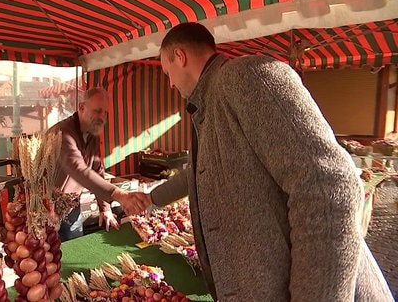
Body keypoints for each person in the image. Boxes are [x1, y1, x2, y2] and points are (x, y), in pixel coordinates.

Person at [127, 22, 394, 301]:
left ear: (180, 56)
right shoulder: (209, 106)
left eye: (167, 73)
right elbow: (193, 173)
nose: (169, 83)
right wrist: (151, 198)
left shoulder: (245, 76)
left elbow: (328, 185)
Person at [48, 87, 146, 241]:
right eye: (98, 111)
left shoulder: (91, 134)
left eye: (105, 113)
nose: (102, 117)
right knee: (48, 258)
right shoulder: (63, 133)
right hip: (47, 208)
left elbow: (97, 170)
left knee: (75, 248)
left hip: (71, 207)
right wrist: (118, 194)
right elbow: (78, 168)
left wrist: (105, 208)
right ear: (81, 107)